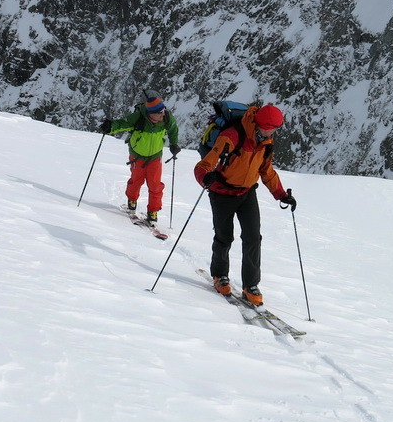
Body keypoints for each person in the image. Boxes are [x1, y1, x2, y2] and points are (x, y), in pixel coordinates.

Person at [194, 103, 297, 305]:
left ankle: (250, 285)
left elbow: (266, 171)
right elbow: (204, 165)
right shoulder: (232, 136)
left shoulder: (266, 141)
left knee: (253, 238)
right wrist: (205, 177)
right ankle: (219, 275)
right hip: (222, 192)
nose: (274, 132)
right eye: (273, 127)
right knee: (224, 237)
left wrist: (282, 195)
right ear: (263, 124)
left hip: (247, 192)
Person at [99, 92, 181, 227]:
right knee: (136, 181)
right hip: (137, 156)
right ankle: (132, 201)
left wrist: (174, 144)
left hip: (155, 156)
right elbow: (122, 124)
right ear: (151, 113)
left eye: (163, 111)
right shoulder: (138, 117)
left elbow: (173, 130)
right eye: (159, 113)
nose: (162, 114)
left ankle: (153, 212)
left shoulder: (166, 118)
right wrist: (110, 127)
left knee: (155, 185)